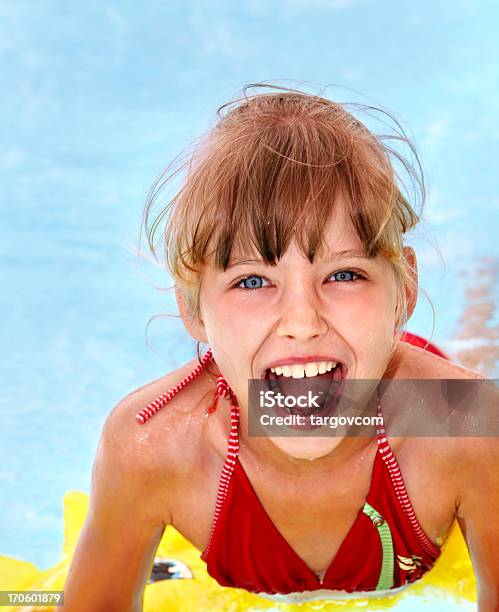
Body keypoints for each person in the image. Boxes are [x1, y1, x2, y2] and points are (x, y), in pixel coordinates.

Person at [61, 85, 499, 611]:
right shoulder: (155, 447)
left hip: (409, 391)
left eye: (344, 274)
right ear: (194, 307)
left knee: (463, 380)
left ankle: (481, 288)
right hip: (347, 366)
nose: (302, 322)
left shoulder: (470, 433)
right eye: (252, 281)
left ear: (404, 289)